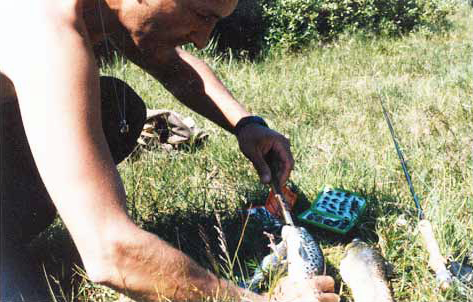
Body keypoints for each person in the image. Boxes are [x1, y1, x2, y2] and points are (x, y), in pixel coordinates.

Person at [0, 0, 340, 301]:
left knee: (116, 108)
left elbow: (171, 64)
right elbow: (111, 252)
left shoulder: (101, 8)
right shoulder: (45, 30)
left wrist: (247, 124)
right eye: (201, 15)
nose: (203, 39)